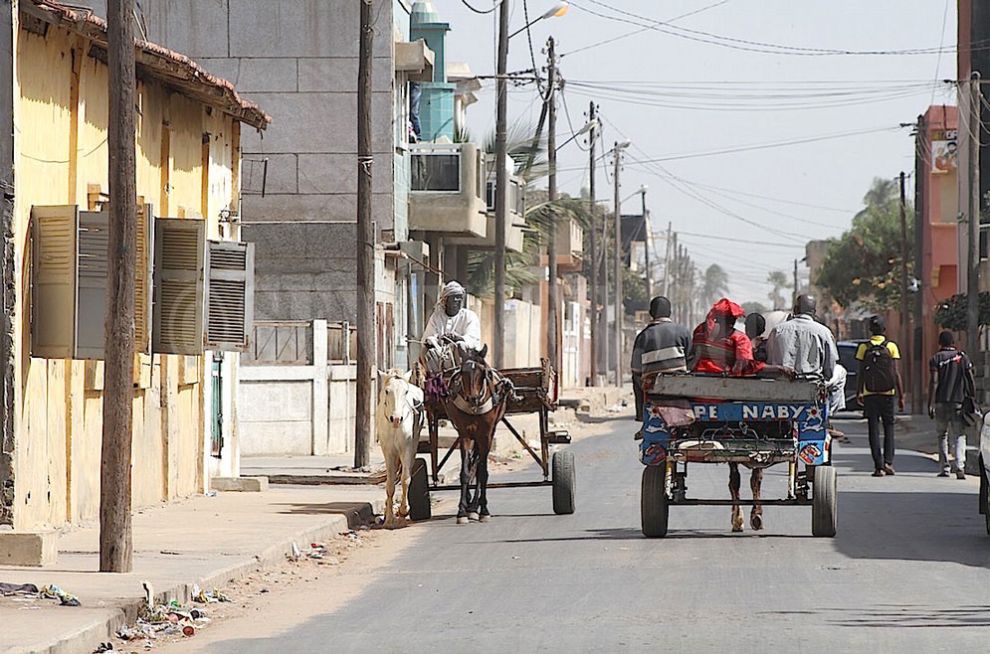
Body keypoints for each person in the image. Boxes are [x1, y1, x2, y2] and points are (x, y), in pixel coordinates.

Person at [630, 296, 692, 439]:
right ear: (669, 312)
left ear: (651, 313)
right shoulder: (683, 332)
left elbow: (636, 368)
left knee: (636, 378)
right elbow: (690, 361)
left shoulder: (643, 336)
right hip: (680, 388)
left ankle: (642, 417)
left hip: (653, 389)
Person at [856, 315, 904, 477]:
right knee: (889, 428)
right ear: (884, 330)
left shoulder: (864, 347)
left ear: (870, 330)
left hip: (870, 393)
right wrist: (901, 395)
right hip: (887, 393)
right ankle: (888, 462)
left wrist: (859, 392)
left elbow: (861, 373)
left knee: (873, 430)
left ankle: (878, 467)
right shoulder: (891, 347)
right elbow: (895, 373)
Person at [692, 299, 791, 377]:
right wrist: (778, 368)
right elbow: (746, 366)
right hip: (724, 391)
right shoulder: (739, 339)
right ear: (732, 320)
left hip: (695, 386)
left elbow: (693, 356)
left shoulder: (700, 331)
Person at [928, 330, 977, 479]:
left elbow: (934, 381)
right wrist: (973, 398)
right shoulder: (962, 358)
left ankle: (945, 468)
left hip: (941, 403)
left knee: (942, 435)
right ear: (953, 343)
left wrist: (930, 403)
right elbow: (970, 379)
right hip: (959, 402)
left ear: (940, 343)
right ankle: (960, 466)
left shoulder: (936, 358)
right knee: (959, 434)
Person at [766, 295, 839, 381]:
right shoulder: (824, 332)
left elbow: (770, 360)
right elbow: (829, 369)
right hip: (811, 383)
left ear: (795, 309)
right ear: (814, 312)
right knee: (841, 373)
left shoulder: (777, 330)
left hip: (781, 382)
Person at [422, 280, 481, 351]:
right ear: (445, 300)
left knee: (461, 346)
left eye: (459, 297)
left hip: (462, 356)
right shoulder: (437, 317)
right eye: (454, 297)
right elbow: (428, 336)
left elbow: (472, 338)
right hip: (439, 354)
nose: (457, 300)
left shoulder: (469, 316)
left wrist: (457, 338)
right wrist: (436, 340)